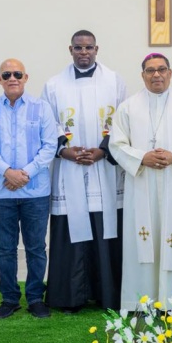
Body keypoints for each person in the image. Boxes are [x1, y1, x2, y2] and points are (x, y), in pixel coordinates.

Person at [109, 53, 172, 310]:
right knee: (143, 240)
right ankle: (141, 302)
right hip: (141, 183)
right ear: (142, 75)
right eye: (150, 70)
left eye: (161, 69)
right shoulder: (128, 107)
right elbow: (116, 144)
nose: (156, 75)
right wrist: (142, 157)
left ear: (170, 73)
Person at [42, 30, 127, 312]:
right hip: (69, 167)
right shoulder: (53, 85)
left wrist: (103, 150)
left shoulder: (114, 81)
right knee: (71, 227)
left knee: (105, 228)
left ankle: (107, 293)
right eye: (78, 48)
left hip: (104, 167)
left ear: (96, 49)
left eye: (88, 47)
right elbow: (47, 123)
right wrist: (64, 151)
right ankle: (70, 296)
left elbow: (123, 121)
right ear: (70, 50)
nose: (84, 52)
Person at [0, 59, 56, 319]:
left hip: (35, 192)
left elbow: (50, 146)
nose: (12, 78)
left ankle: (35, 298)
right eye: (7, 74)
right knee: (5, 249)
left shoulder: (41, 108)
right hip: (1, 192)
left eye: (17, 74)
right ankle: (9, 298)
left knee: (36, 248)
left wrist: (25, 174)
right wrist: (7, 172)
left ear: (26, 77)